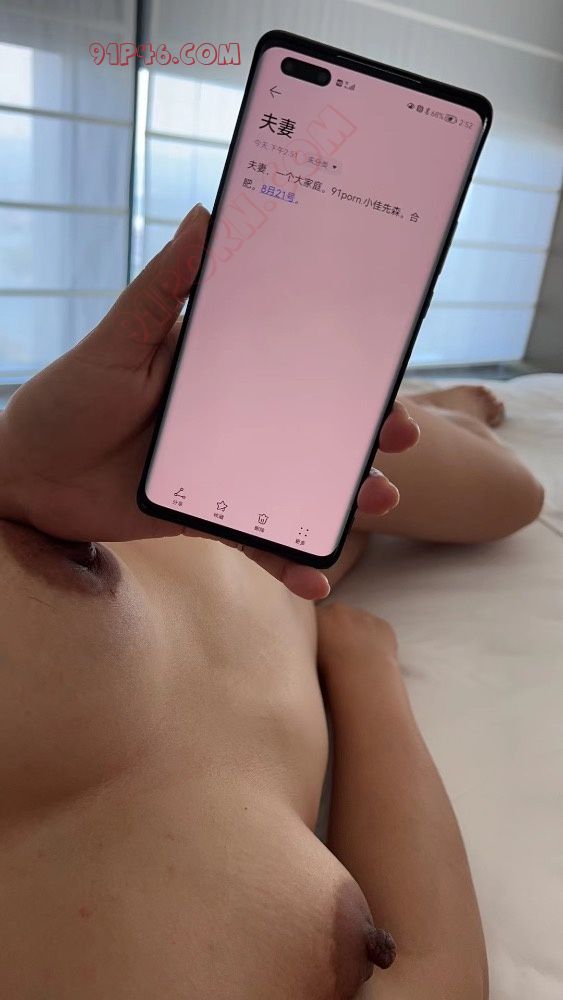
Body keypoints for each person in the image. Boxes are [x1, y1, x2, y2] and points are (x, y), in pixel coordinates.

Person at [0, 204, 543, 999]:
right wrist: (358, 662)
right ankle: (426, 414)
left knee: (511, 495)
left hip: (179, 476)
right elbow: (432, 978)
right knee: (502, 494)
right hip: (301, 577)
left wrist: (17, 474)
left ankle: (437, 405)